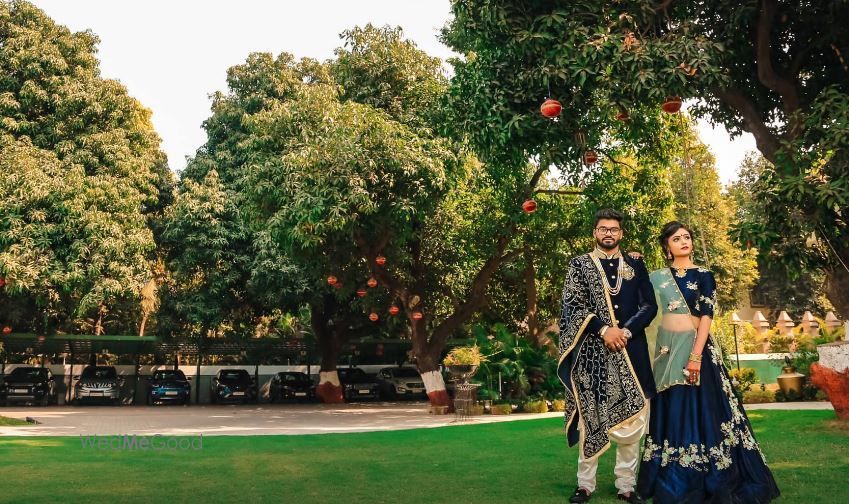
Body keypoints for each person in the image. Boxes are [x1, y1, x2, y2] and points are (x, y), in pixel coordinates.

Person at [636, 221, 780, 503]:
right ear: (667, 246)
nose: (684, 241)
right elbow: (642, 303)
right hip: (666, 353)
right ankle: (668, 474)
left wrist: (696, 356)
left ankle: (705, 475)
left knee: (703, 413)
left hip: (696, 350)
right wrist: (634, 261)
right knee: (672, 413)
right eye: (676, 238)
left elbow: (706, 317)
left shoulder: (704, 275)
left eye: (686, 237)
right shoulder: (656, 277)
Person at [559, 208, 657, 504]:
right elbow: (572, 306)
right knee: (590, 416)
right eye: (603, 229)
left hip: (631, 351)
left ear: (621, 233)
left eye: (613, 229)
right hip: (592, 353)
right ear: (595, 232)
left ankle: (626, 485)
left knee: (634, 419)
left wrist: (625, 332)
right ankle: (585, 485)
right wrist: (604, 330)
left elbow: (649, 305)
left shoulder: (635, 264)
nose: (608, 233)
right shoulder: (579, 265)